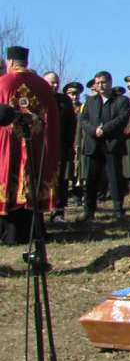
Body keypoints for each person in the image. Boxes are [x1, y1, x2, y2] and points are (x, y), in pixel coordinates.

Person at [0, 47, 60, 245]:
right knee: (32, 184)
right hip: (36, 145)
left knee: (10, 182)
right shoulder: (42, 85)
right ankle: (36, 232)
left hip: (9, 146)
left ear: (10, 62)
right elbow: (51, 120)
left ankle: (9, 234)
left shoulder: (3, 83)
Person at [79, 70, 130, 225]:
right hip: (94, 144)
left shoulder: (121, 100)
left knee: (114, 178)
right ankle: (89, 210)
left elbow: (122, 119)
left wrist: (105, 129)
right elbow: (84, 119)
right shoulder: (90, 101)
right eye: (98, 82)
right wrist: (94, 130)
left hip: (112, 145)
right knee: (91, 179)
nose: (100, 85)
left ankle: (118, 210)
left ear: (110, 83)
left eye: (103, 82)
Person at [43, 72, 76, 219]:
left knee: (61, 180)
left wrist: (69, 146)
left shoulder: (64, 100)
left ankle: (58, 211)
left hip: (61, 146)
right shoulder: (38, 98)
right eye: (51, 82)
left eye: (57, 82)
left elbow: (71, 124)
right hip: (42, 148)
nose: (55, 85)